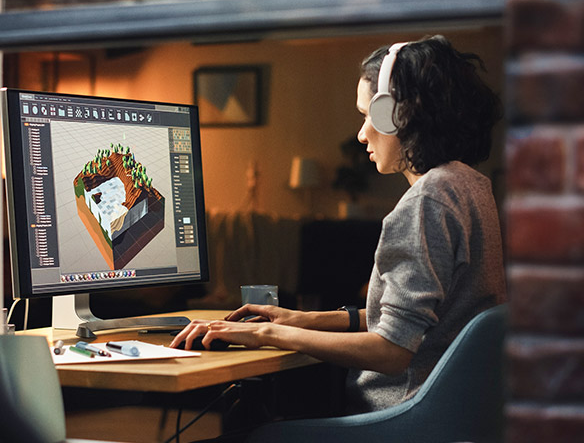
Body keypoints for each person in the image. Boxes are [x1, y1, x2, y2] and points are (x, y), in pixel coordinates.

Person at [171, 35, 507, 415]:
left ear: (397, 115)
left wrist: (268, 333)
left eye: (367, 115)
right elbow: (420, 318)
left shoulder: (427, 201)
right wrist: (306, 320)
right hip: (453, 413)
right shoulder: (470, 186)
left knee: (245, 439)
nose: (363, 133)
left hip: (402, 419)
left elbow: (393, 350)